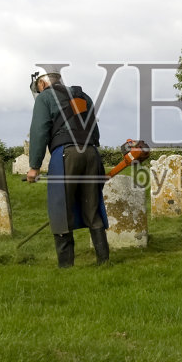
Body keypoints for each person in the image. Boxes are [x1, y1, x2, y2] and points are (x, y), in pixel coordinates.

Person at [25, 70, 109, 268]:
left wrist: (34, 167)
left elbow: (39, 130)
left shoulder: (45, 97)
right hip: (91, 152)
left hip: (66, 154)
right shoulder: (83, 96)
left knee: (60, 208)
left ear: (43, 84)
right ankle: (104, 262)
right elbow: (94, 131)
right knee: (92, 207)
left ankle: (66, 267)